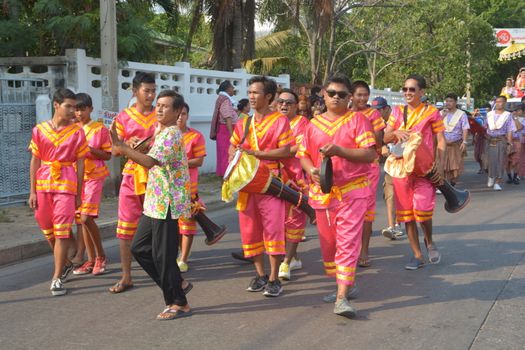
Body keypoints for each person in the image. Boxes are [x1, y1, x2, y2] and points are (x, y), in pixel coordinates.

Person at [297, 74, 376, 318]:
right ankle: (345, 285)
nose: (336, 98)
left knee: (347, 241)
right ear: (323, 94)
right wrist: (311, 169)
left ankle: (341, 297)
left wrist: (340, 151)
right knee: (329, 245)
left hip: (353, 191)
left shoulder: (358, 121)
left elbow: (369, 154)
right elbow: (303, 153)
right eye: (331, 93)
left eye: (342, 94)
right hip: (323, 193)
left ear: (349, 97)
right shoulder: (313, 124)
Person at [110, 89, 193, 320]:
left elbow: (150, 161)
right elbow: (150, 155)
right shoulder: (161, 132)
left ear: (177, 112)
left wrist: (124, 149)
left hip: (167, 201)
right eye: (158, 105)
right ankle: (178, 283)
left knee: (163, 256)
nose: (159, 108)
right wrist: (133, 145)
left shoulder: (172, 134)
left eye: (166, 106)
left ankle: (178, 302)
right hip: (154, 202)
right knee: (140, 248)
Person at [229, 76, 292, 297]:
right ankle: (260, 274)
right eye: (250, 92)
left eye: (256, 93)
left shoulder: (280, 121)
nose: (252, 97)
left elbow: (286, 151)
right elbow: (233, 146)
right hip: (247, 184)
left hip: (270, 183)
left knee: (273, 230)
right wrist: (232, 164)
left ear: (268, 97)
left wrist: (257, 154)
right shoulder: (244, 122)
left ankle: (274, 278)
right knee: (250, 230)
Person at [28, 88, 88, 296]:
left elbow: (80, 164)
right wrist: (32, 191)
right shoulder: (39, 130)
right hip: (43, 183)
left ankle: (56, 277)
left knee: (62, 229)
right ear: (56, 105)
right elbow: (35, 160)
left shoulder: (77, 132)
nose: (73, 111)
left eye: (75, 107)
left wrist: (79, 193)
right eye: (68, 106)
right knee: (46, 227)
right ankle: (66, 260)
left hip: (66, 183)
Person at [383, 74, 446, 270]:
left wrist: (440, 166)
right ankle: (417, 255)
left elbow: (441, 140)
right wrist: (395, 133)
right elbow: (384, 137)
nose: (407, 93)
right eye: (405, 89)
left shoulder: (431, 112)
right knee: (407, 215)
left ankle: (429, 241)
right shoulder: (396, 112)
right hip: (401, 169)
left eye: (412, 89)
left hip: (424, 170)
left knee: (423, 210)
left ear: (421, 92)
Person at [110, 72, 157, 293]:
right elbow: (115, 149)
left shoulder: (161, 115)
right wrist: (127, 143)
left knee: (159, 226)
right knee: (125, 228)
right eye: (147, 90)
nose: (151, 95)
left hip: (156, 175)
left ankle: (161, 269)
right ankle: (126, 275)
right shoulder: (123, 118)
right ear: (135, 91)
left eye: (153, 90)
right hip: (131, 176)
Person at [71, 93, 111, 276]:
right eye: (76, 109)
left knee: (86, 218)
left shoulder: (99, 129)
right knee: (81, 219)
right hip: (75, 178)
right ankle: (90, 259)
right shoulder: (71, 129)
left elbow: (107, 155)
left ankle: (100, 256)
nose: (79, 113)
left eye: (83, 109)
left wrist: (89, 150)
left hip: (94, 176)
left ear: (90, 109)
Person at [348, 81, 386, 268]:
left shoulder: (373, 114)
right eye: (359, 95)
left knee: (366, 211)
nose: (362, 98)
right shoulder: (345, 114)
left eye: (365, 95)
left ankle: (364, 250)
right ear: (351, 96)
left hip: (368, 166)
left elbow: (377, 140)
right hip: (346, 166)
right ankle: (349, 250)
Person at [275, 88, 310, 281]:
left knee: (294, 221)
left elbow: (296, 149)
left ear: (296, 106)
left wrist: (271, 151)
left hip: (296, 181)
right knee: (278, 221)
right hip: (273, 180)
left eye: (288, 103)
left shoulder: (302, 124)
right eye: (281, 101)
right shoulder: (273, 122)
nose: (284, 105)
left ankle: (286, 263)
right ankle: (293, 257)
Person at [176, 103, 207, 273]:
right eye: (178, 114)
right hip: (169, 187)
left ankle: (184, 258)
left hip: (188, 186)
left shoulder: (196, 136)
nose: (180, 117)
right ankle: (177, 253)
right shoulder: (164, 136)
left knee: (187, 222)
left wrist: (179, 163)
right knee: (173, 225)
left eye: (184, 114)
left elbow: (199, 160)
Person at [371, 97, 404, 240]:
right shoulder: (376, 122)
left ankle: (402, 222)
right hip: (391, 163)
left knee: (403, 195)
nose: (376, 113)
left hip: (407, 161)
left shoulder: (400, 116)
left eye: (378, 110)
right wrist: (382, 146)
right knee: (389, 193)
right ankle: (393, 226)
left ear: (386, 108)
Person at [485, 96, 515, 191]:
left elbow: (510, 130)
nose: (498, 103)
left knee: (500, 161)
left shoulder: (507, 115)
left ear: (504, 103)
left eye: (500, 102)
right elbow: (484, 127)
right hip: (489, 140)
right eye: (496, 102)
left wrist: (509, 143)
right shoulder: (489, 114)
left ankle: (497, 182)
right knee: (488, 161)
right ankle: (491, 176)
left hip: (501, 140)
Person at [210, 80, 239, 177]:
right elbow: (228, 119)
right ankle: (227, 176)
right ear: (227, 89)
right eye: (232, 87)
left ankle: (225, 176)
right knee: (227, 155)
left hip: (224, 130)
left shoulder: (223, 99)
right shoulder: (225, 100)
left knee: (224, 155)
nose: (233, 89)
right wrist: (232, 136)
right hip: (226, 132)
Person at [441, 93, 470, 186]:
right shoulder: (441, 113)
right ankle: (444, 185)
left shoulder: (461, 114)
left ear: (455, 102)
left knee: (456, 166)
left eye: (451, 101)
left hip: (456, 144)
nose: (448, 103)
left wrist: (465, 142)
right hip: (443, 144)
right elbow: (435, 127)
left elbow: (465, 128)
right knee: (443, 165)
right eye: (447, 101)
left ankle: (452, 184)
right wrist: (442, 117)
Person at [505, 105, 523, 184]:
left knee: (516, 160)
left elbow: (519, 127)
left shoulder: (520, 119)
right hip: (506, 141)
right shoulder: (504, 121)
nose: (512, 112)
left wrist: (514, 118)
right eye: (510, 111)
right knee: (507, 161)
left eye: (513, 111)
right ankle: (509, 177)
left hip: (516, 141)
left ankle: (515, 177)